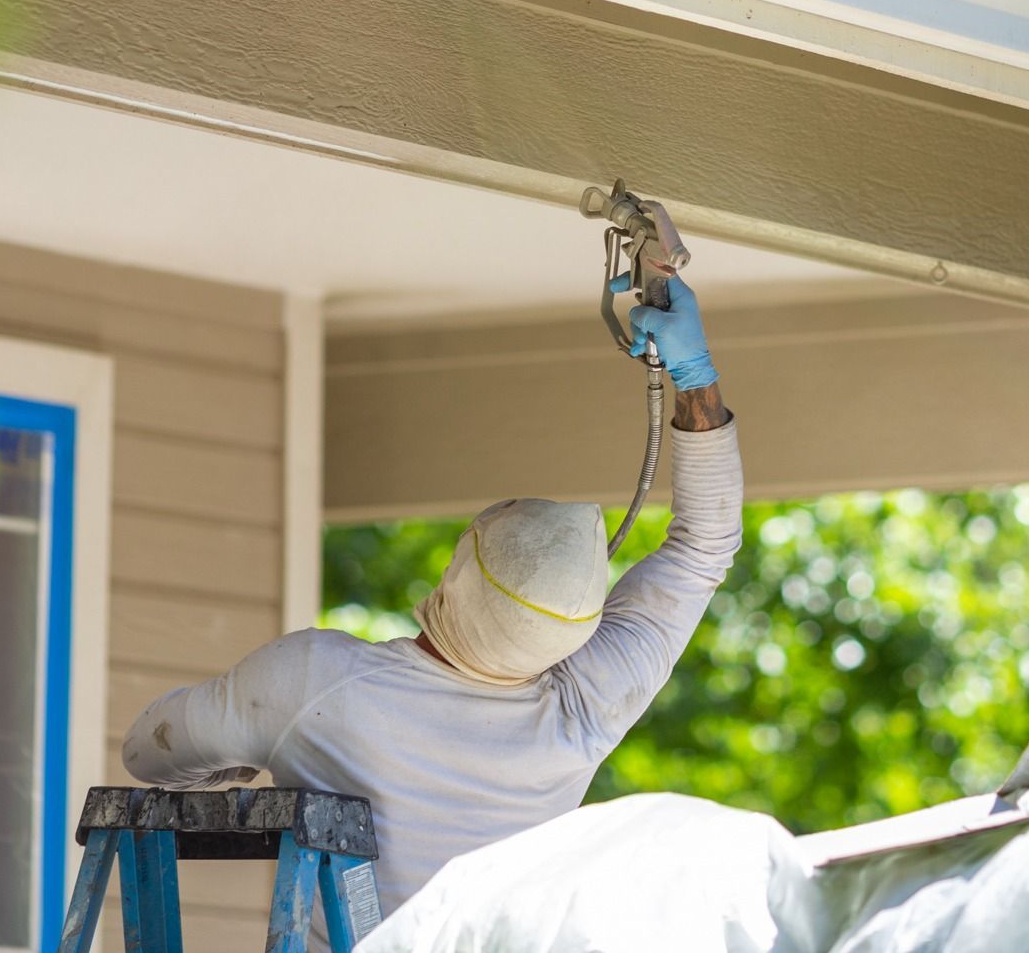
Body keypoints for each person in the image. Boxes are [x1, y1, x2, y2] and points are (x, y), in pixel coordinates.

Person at [122, 277, 742, 946]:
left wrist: (243, 748)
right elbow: (704, 548)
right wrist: (694, 375)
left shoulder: (311, 683)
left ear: (462, 567)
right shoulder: (584, 707)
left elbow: (147, 753)